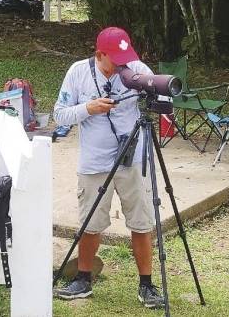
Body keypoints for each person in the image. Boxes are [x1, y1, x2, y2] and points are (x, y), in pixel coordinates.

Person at [53, 27, 165, 309]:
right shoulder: (78, 72)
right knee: (91, 224)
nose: (121, 64)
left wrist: (161, 99)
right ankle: (83, 279)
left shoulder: (137, 68)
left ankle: (146, 285)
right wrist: (88, 108)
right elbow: (59, 114)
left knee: (141, 223)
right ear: (99, 54)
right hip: (94, 163)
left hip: (134, 159)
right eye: (114, 59)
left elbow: (164, 100)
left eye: (124, 58)